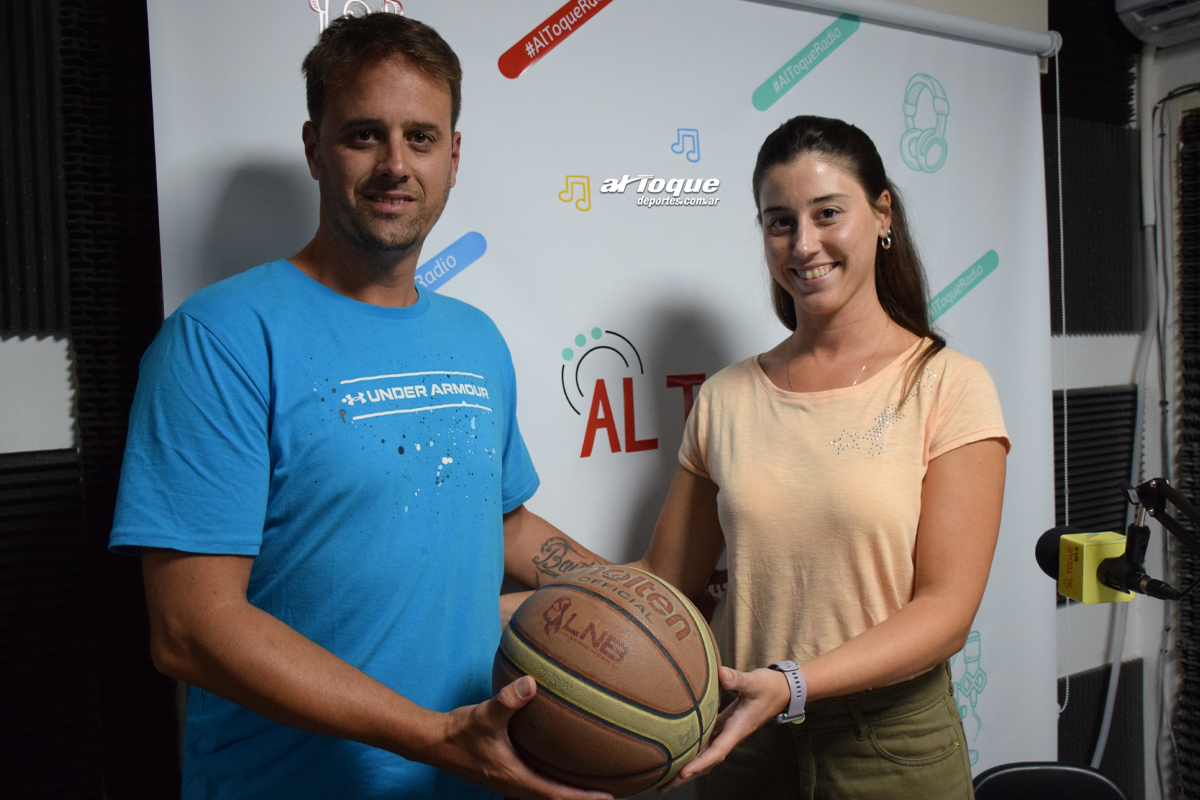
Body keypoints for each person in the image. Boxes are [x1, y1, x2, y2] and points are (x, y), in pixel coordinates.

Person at [109, 13, 612, 800]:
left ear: (453, 155)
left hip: (471, 782)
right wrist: (434, 738)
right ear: (314, 146)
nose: (395, 165)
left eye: (420, 137)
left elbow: (500, 520)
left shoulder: (475, 338)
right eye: (363, 135)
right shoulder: (220, 338)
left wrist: (622, 596)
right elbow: (189, 630)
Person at [643, 115, 1009, 797]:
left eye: (827, 213)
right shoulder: (725, 397)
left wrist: (794, 684)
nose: (803, 244)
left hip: (890, 742)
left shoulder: (949, 385)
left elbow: (946, 611)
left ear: (881, 214)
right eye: (779, 222)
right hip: (745, 742)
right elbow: (665, 582)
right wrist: (506, 606)